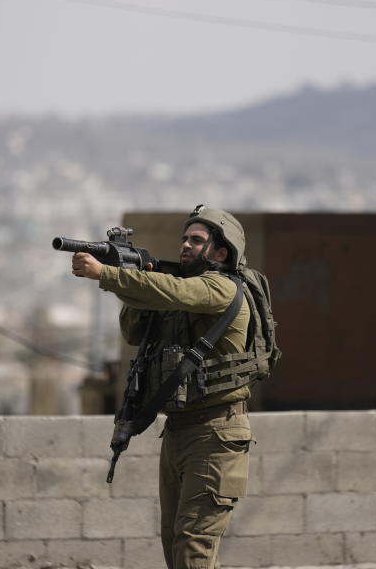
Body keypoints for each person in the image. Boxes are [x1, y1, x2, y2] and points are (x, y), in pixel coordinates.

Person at [70, 204, 253, 569]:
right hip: (178, 432)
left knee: (192, 550)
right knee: (176, 546)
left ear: (221, 251)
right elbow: (134, 332)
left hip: (215, 435)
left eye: (197, 240)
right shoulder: (180, 293)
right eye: (184, 238)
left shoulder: (220, 289)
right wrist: (131, 277)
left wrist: (106, 274)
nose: (185, 245)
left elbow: (171, 291)